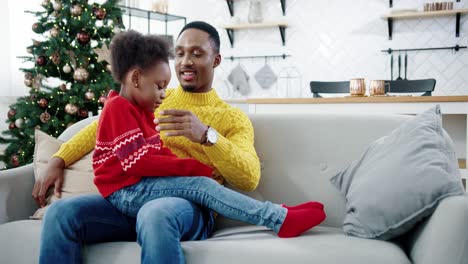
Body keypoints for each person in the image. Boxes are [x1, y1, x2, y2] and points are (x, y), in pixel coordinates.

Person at [34, 22, 324, 264]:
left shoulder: (232, 118)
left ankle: (279, 217)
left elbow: (249, 177)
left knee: (156, 212)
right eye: (181, 53)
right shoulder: (152, 98)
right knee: (62, 213)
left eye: (197, 54)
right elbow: (100, 130)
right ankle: (280, 217)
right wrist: (58, 159)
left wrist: (206, 136)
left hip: (187, 207)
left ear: (216, 60)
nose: (186, 61)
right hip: (135, 194)